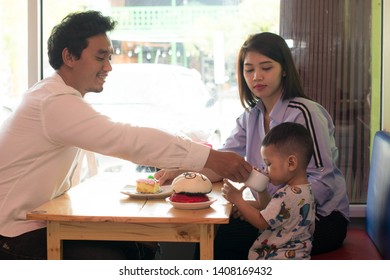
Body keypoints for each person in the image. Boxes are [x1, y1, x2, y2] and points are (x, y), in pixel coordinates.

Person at [0, 10, 252, 260]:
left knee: (135, 246)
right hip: (12, 235)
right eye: (101, 57)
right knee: (119, 255)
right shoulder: (53, 102)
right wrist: (210, 157)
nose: (108, 67)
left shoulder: (55, 96)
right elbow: (127, 139)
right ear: (69, 56)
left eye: (109, 57)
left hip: (34, 224)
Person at [156, 32, 349, 258]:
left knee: (225, 243)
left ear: (284, 69)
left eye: (266, 68)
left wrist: (269, 210)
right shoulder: (251, 116)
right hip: (275, 212)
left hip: (319, 219)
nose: (257, 76)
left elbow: (323, 180)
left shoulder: (305, 113)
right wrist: (180, 172)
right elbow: (223, 162)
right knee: (214, 236)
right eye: (249, 70)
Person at [222, 122, 316, 260]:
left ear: (291, 163)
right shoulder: (305, 190)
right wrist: (261, 191)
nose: (266, 170)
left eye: (269, 164)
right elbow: (270, 211)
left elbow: (261, 221)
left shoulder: (286, 195)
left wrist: (237, 199)